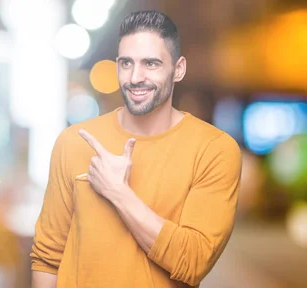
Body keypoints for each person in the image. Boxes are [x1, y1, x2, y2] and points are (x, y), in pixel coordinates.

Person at [31, 10, 242, 287]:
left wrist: (118, 193)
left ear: (178, 69)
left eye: (151, 63)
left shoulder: (214, 150)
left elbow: (194, 260)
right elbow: (47, 257)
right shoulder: (73, 142)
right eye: (126, 63)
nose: (134, 77)